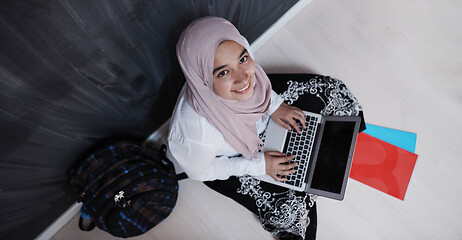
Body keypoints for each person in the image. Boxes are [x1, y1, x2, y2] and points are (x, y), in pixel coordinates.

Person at [168, 16, 365, 240]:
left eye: (242, 59)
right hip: (236, 157)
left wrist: (274, 105)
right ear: (202, 80)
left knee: (328, 91)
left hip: (259, 117)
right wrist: (260, 165)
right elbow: (204, 172)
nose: (243, 78)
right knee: (290, 209)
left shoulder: (238, 55)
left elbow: (255, 81)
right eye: (223, 72)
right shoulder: (195, 137)